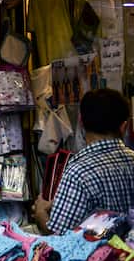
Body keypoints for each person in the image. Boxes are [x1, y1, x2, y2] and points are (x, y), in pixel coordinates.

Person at [38, 88, 134, 232]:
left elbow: (59, 237)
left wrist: (40, 214)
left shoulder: (78, 172)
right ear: (124, 126)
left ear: (81, 122)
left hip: (102, 254)